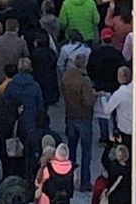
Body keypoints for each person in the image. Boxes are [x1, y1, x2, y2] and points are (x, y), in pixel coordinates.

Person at [59, 54, 96, 192]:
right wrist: (95, 96)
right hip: (84, 117)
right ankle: (85, 182)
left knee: (71, 149)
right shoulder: (84, 80)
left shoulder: (66, 76)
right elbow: (88, 101)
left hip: (70, 115)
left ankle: (68, 179)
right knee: (86, 152)